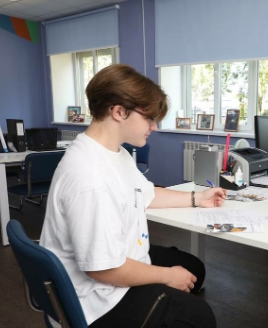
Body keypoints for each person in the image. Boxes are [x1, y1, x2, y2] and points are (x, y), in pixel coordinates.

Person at [40, 64, 227, 328]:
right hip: (95, 299)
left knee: (193, 268)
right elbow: (103, 269)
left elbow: (146, 194)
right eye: (149, 118)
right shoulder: (90, 177)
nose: (154, 126)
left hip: (117, 259)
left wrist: (199, 198)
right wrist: (166, 276)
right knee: (199, 316)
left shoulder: (118, 153)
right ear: (118, 111)